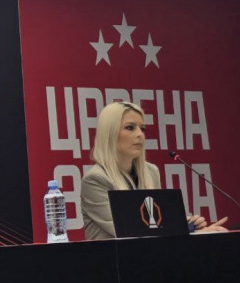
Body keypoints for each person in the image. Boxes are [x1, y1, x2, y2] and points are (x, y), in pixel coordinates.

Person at [81, 101, 227, 240]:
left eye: (142, 129)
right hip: (112, 257)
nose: (140, 134)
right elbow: (129, 230)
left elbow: (155, 223)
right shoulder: (95, 179)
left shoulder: (151, 172)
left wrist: (186, 224)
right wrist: (190, 232)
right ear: (109, 133)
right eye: (130, 128)